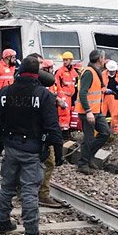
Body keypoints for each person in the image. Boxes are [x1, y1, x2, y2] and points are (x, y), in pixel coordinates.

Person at [0, 55, 63, 235]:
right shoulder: (44, 95)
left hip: (11, 145)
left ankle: (3, 222)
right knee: (30, 190)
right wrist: (59, 152)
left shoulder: (5, 93)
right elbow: (52, 126)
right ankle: (31, 233)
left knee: (7, 186)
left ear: (19, 71)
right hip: (32, 149)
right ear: (37, 73)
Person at [37, 61, 67, 209]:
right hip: (42, 135)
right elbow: (51, 124)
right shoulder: (43, 92)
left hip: (25, 136)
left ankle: (24, 191)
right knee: (49, 162)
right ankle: (42, 194)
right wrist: (59, 149)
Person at [75, 49, 109, 175]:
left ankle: (89, 157)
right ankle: (83, 164)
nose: (104, 60)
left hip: (96, 111)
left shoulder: (95, 71)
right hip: (88, 112)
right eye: (103, 58)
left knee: (105, 133)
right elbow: (82, 92)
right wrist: (88, 111)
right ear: (100, 59)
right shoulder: (89, 72)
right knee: (88, 138)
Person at [53, 52, 80, 132]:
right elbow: (57, 85)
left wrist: (75, 98)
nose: (65, 62)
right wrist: (61, 97)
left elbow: (76, 85)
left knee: (70, 114)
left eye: (66, 60)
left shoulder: (74, 72)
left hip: (71, 96)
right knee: (64, 114)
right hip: (63, 96)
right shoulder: (59, 71)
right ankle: (64, 132)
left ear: (71, 60)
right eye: (64, 60)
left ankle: (68, 130)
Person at [103, 60, 118, 135]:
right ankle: (101, 131)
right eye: (110, 71)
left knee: (115, 115)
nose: (112, 72)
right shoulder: (103, 74)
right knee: (102, 114)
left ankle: (115, 131)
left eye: (113, 71)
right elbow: (99, 86)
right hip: (104, 97)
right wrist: (105, 90)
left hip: (115, 96)